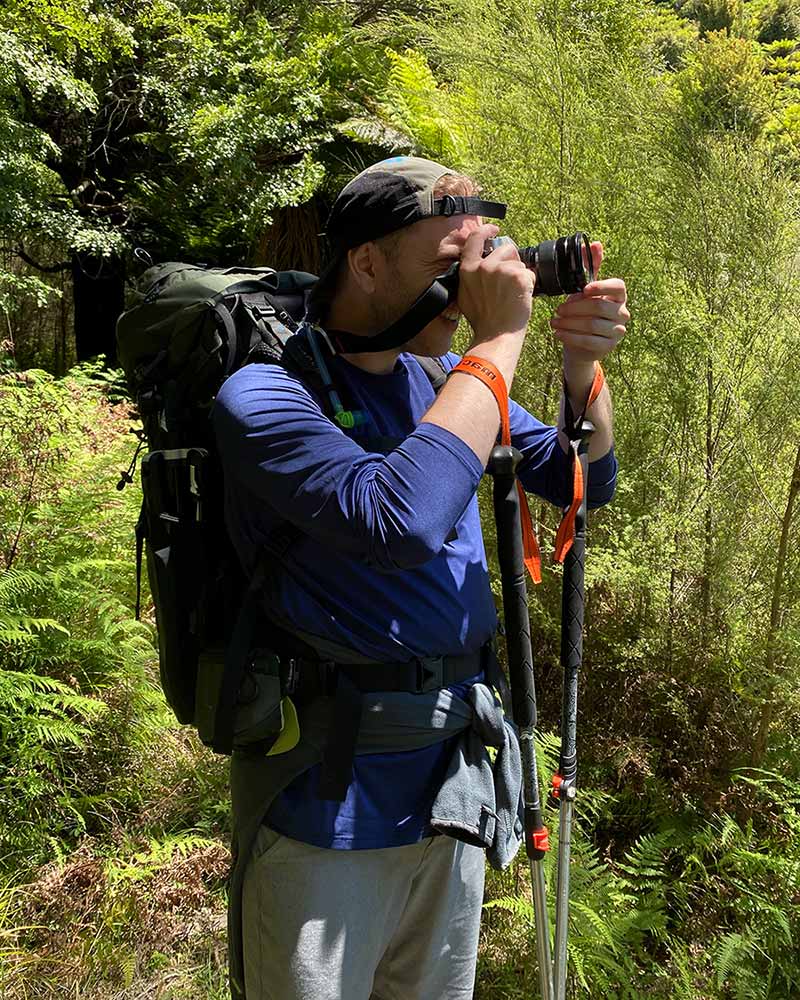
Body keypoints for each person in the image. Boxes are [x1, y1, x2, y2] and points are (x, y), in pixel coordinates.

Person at [212, 156, 629, 1000]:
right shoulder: (264, 394)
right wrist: (501, 339)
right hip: (326, 801)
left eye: (483, 266)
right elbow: (399, 519)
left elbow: (585, 475)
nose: (476, 287)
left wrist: (582, 370)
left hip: (451, 789)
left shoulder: (438, 380)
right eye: (452, 266)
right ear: (366, 263)